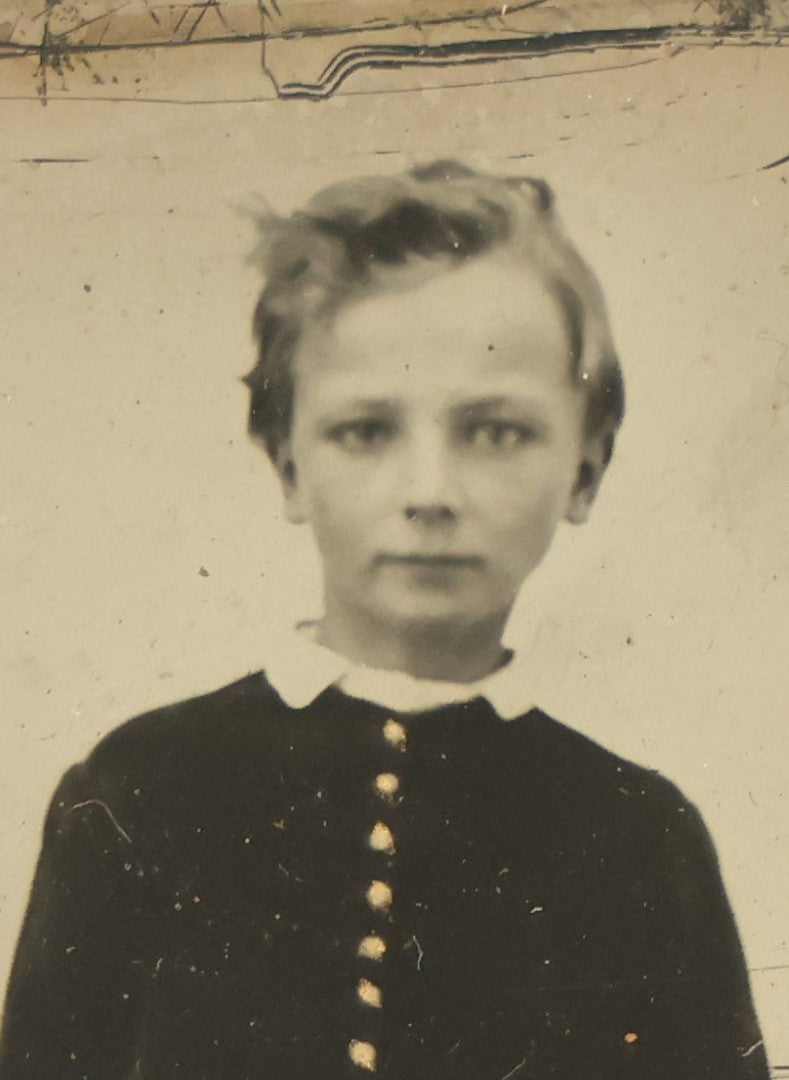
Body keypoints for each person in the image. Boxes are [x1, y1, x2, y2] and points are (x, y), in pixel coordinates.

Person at [0, 160, 768, 1079]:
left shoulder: (643, 839)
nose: (428, 492)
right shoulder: (134, 794)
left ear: (585, 468)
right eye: (366, 430)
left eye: (495, 430)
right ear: (287, 462)